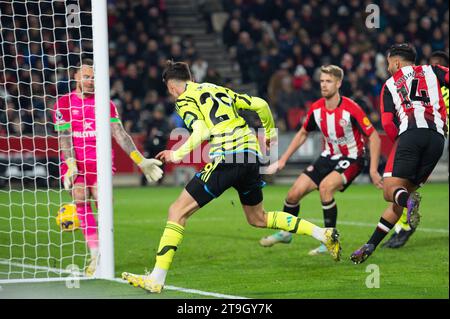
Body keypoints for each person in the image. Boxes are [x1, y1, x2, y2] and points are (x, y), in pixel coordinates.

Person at [122, 61, 342, 293]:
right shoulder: (218, 90)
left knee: (177, 211)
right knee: (258, 218)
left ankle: (156, 278)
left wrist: (176, 154)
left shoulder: (184, 100)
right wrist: (268, 132)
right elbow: (260, 104)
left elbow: (202, 131)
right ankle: (323, 233)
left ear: (173, 88)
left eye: (170, 91)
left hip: (227, 158)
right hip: (250, 155)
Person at [52, 58, 163, 276]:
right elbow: (64, 138)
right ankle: (95, 255)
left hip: (100, 162)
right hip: (76, 162)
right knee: (80, 195)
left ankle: (103, 252)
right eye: (86, 76)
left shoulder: (106, 103)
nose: (91, 81)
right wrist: (71, 164)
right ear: (75, 77)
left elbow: (120, 134)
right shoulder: (63, 104)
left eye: (94, 77)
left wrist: (141, 161)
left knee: (102, 201)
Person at [260, 65, 383, 256]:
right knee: (293, 195)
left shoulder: (352, 109)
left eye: (328, 81)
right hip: (328, 157)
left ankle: (329, 240)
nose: (324, 85)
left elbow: (374, 136)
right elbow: (302, 133)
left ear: (339, 83)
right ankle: (286, 233)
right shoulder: (316, 108)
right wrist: (283, 160)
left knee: (325, 188)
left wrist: (374, 170)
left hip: (353, 158)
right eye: (322, 81)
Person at [351, 44, 448, 263]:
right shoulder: (433, 70)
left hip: (411, 135)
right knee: (399, 198)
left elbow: (387, 122)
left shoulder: (389, 84)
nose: (387, 68)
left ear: (395, 62)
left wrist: (402, 142)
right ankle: (370, 245)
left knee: (389, 191)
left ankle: (410, 202)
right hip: (437, 140)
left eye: (388, 64)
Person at [382, 50, 449, 249]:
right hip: (436, 135)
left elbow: (387, 122)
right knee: (405, 187)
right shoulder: (432, 76)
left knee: (399, 187)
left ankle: (403, 227)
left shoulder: (426, 80)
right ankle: (403, 228)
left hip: (420, 135)